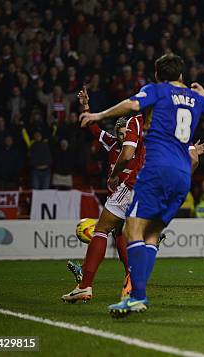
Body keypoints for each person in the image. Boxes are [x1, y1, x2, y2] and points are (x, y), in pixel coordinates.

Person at [80, 54, 204, 317]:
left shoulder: (157, 90)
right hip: (183, 175)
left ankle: (136, 296)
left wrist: (98, 114)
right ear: (182, 75)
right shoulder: (196, 99)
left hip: (157, 170)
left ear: (158, 75)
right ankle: (137, 296)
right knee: (151, 235)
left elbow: (131, 104)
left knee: (132, 230)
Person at [62, 86, 146, 303]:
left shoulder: (133, 137)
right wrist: (87, 107)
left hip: (128, 188)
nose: (121, 135)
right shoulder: (113, 143)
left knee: (105, 230)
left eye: (123, 133)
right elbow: (95, 129)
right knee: (122, 234)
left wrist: (115, 175)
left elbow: (126, 155)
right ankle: (131, 276)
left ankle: (87, 284)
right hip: (145, 189)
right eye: (119, 132)